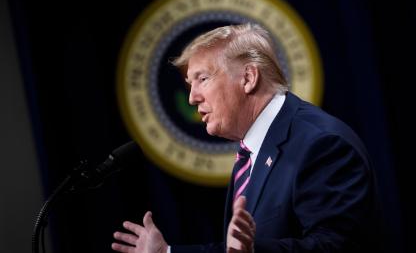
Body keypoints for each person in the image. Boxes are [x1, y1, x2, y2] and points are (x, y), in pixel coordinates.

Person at [112, 23, 378, 253]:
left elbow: (336, 246)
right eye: (190, 85)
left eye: (202, 79)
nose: (192, 97)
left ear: (249, 78)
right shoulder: (252, 152)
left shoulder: (321, 144)